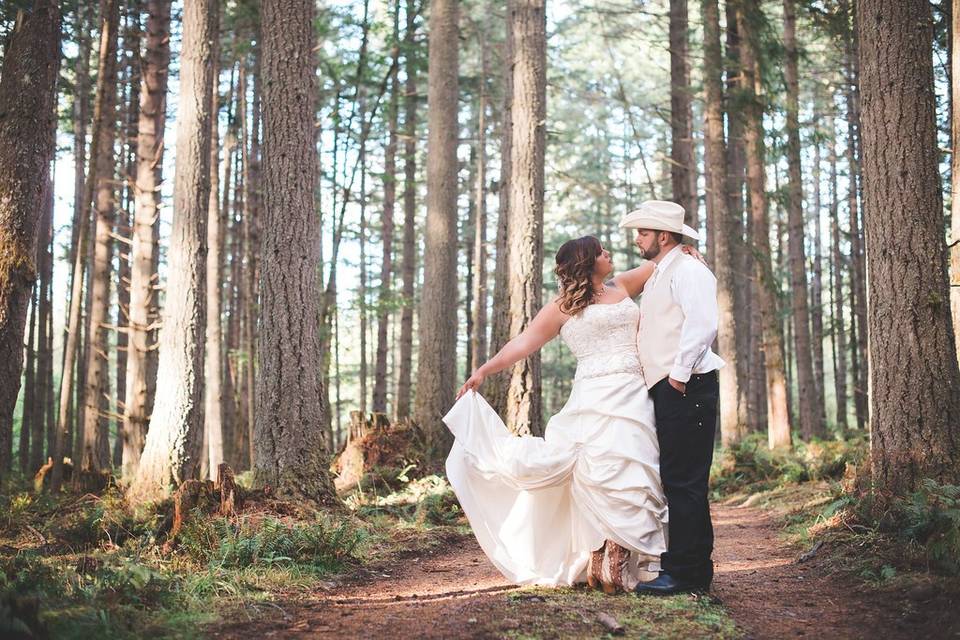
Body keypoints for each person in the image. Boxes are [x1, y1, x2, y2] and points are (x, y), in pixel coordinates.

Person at [444, 235, 700, 593]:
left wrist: (683, 249)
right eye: (601, 251)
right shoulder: (562, 307)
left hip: (632, 393)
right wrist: (484, 370)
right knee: (596, 474)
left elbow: (662, 263)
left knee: (634, 469)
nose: (609, 253)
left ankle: (617, 560)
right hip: (592, 398)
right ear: (586, 261)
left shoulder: (623, 284)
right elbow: (523, 342)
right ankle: (599, 562)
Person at [621, 200, 724, 595]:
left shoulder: (689, 270)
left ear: (663, 236)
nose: (637, 239)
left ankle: (684, 573)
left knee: (685, 481)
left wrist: (678, 377)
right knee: (680, 480)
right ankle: (692, 569)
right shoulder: (668, 267)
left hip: (688, 385)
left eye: (643, 232)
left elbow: (702, 324)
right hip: (672, 386)